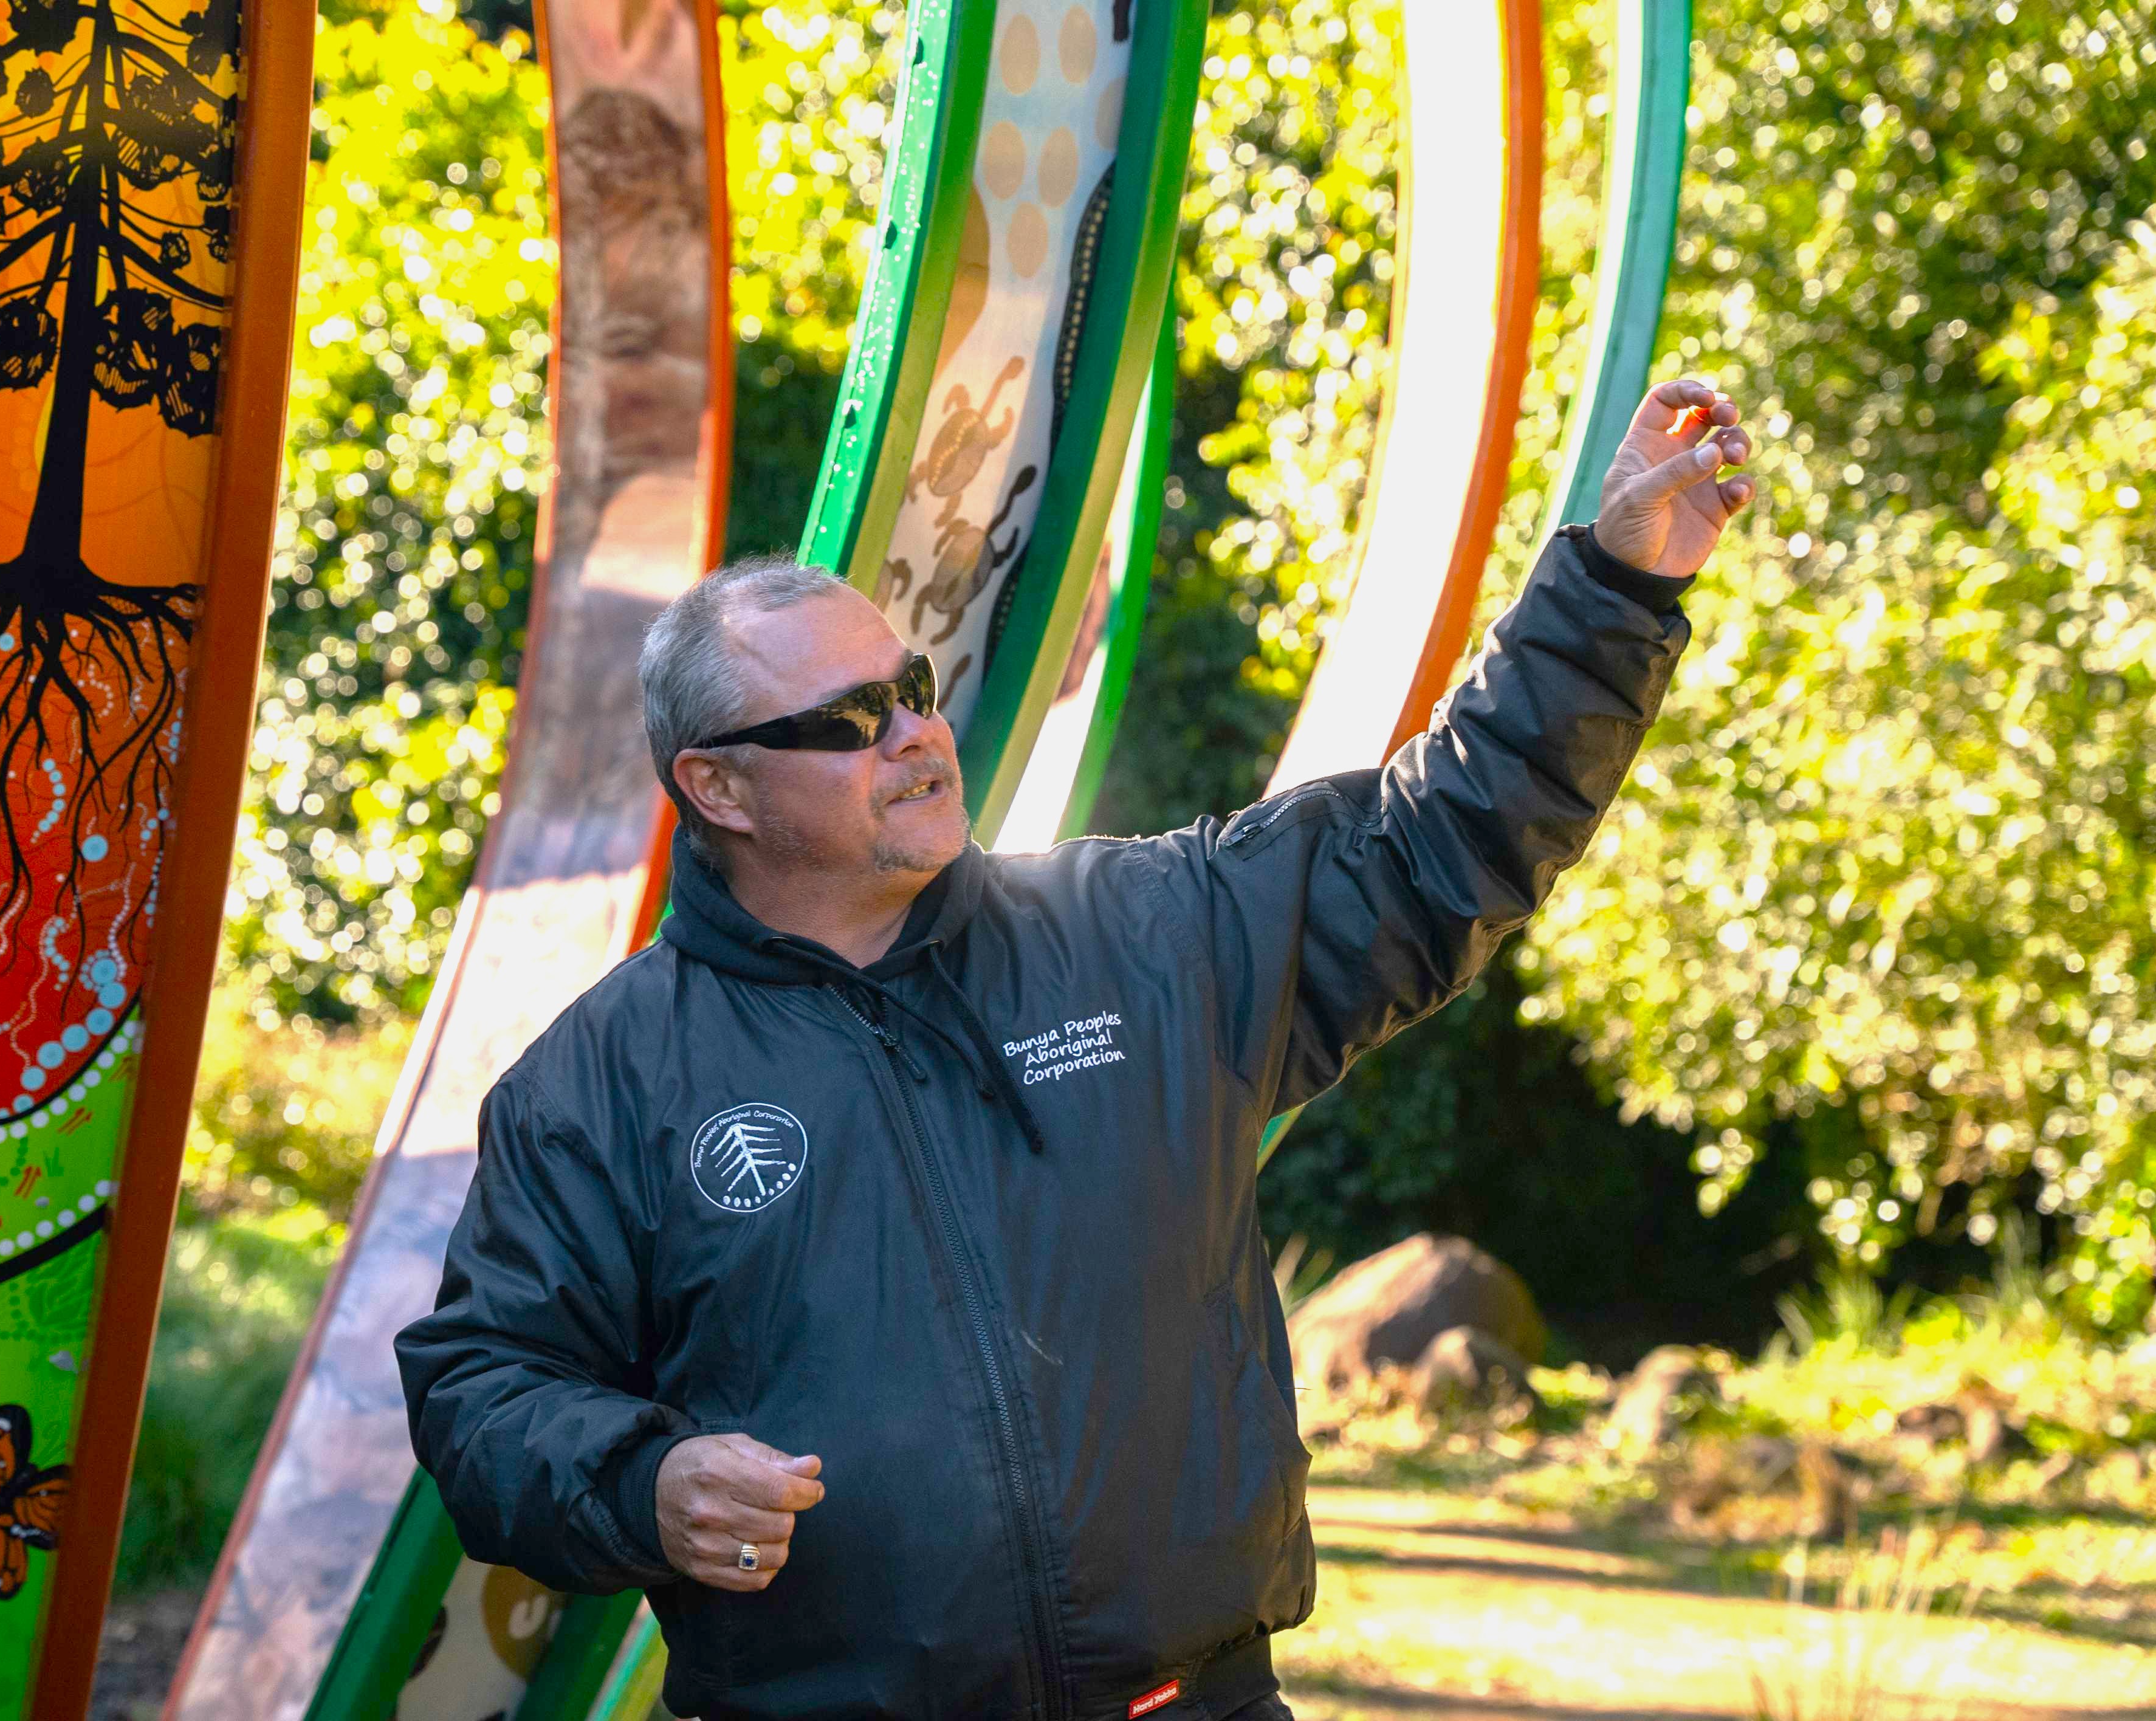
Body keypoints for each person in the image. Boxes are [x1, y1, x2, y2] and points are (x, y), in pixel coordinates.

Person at [397, 379, 1757, 1720]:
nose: (917, 735)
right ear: (717, 787)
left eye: (911, 688)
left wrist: (1616, 585)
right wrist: (646, 1485)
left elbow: (1437, 836)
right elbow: (482, 1394)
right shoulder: (602, 1082)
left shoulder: (1145, 932)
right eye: (849, 720)